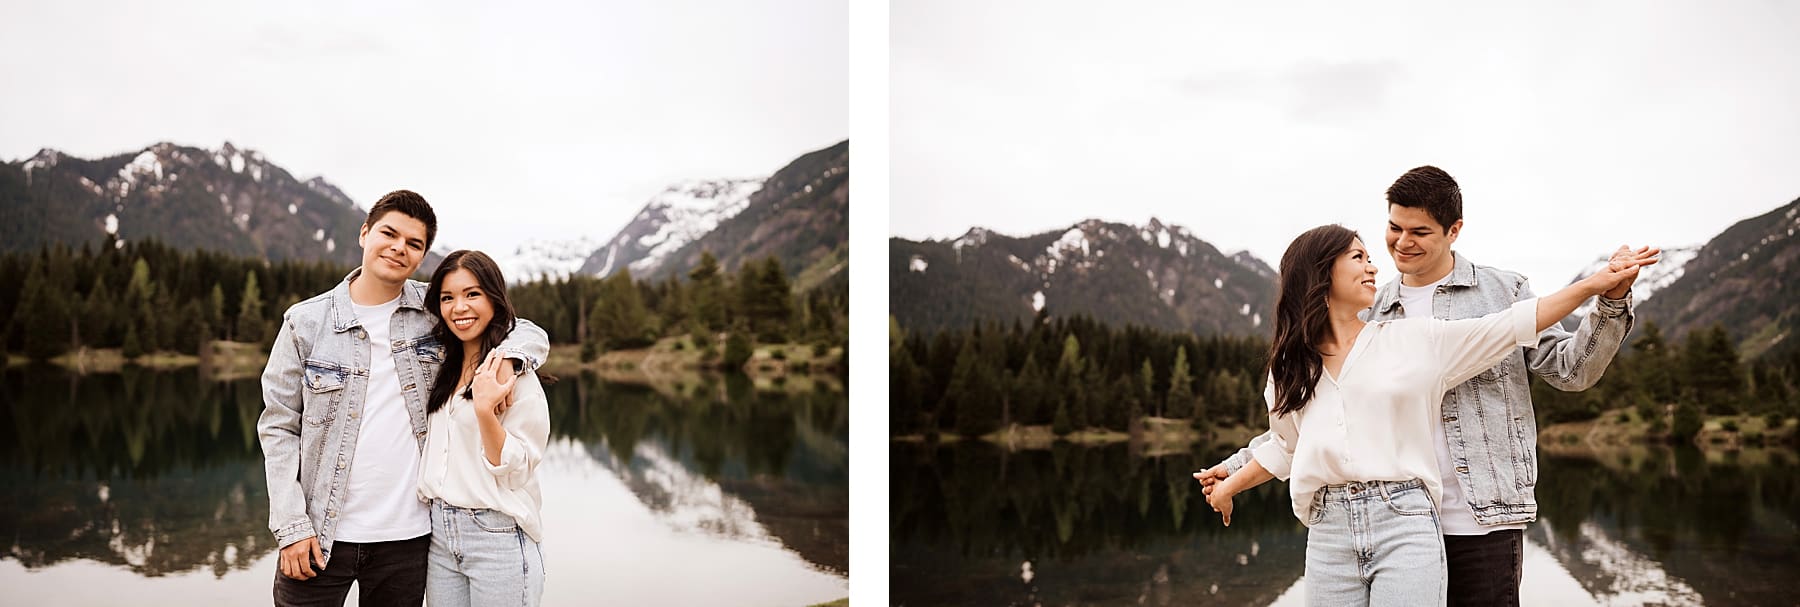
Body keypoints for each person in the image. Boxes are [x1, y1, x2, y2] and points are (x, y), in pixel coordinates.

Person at [1196, 166, 1641, 606]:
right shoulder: (1368, 314)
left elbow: (1569, 370)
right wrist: (1237, 468)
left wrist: (1608, 296)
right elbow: (1318, 424)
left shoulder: (1502, 291)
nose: (1401, 243)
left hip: (1479, 519)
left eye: (1420, 232)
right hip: (1390, 518)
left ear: (1454, 230)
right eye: (1394, 227)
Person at [258, 190, 549, 606]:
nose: (399, 248)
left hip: (409, 540)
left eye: (414, 244)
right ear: (364, 233)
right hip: (319, 534)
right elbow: (278, 426)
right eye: (389, 234)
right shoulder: (306, 322)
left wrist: (508, 358)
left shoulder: (435, 309)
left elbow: (519, 326)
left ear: (422, 255)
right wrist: (290, 526)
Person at [418, 250, 551, 606]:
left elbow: (516, 467)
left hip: (497, 536)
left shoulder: (515, 376)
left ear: (494, 297)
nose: (459, 307)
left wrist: (484, 412)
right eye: (448, 298)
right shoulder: (441, 365)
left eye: (472, 294)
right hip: (440, 537)